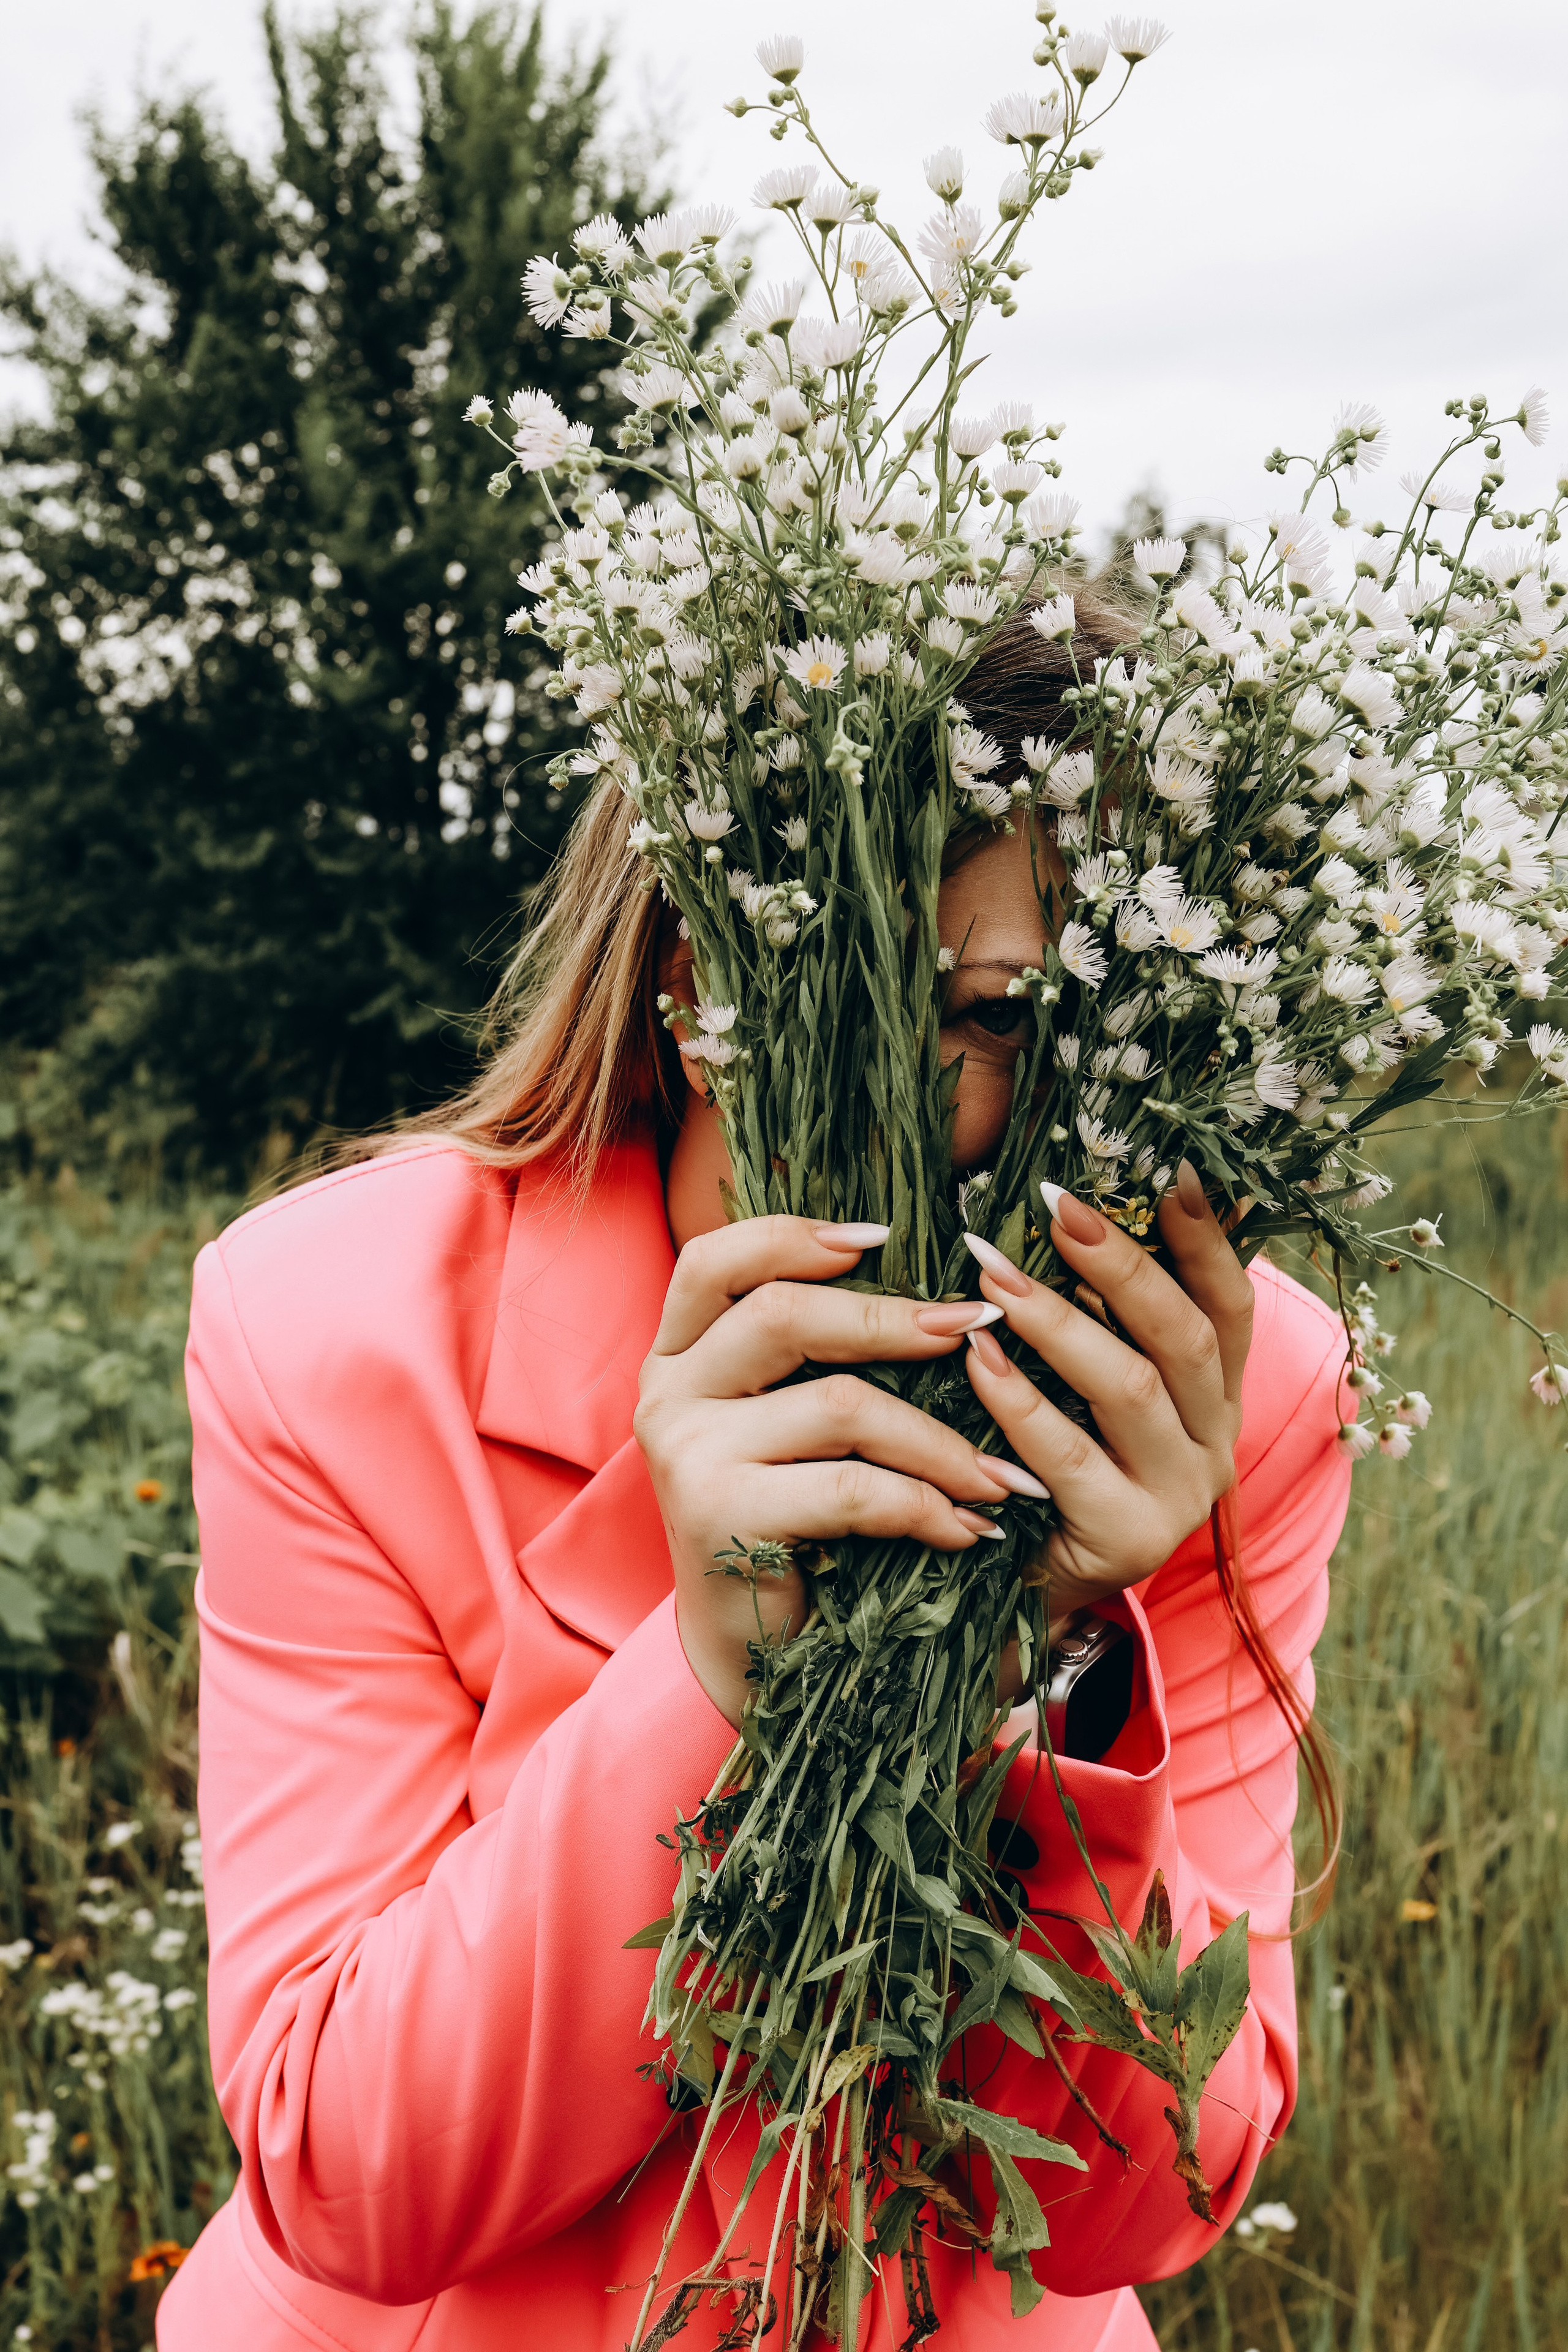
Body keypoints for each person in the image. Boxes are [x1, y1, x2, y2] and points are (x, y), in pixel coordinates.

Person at [159, 601, 1352, 2351]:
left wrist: (1065, 1663)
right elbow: (350, 2177)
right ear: (693, 959)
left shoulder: (1237, 1389)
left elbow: (1152, 2199)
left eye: (1131, 1035)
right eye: (996, 1013)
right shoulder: (329, 1333)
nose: (1055, 1127)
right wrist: (715, 1671)